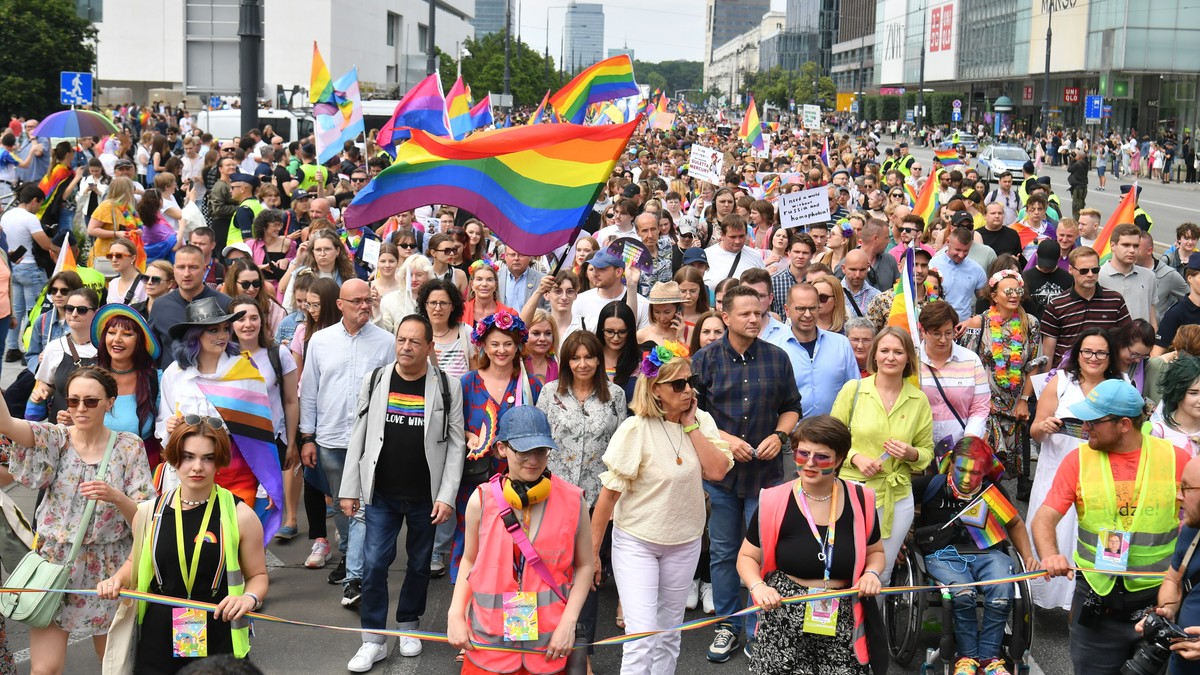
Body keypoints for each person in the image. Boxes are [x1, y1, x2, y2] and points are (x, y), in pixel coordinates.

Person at [0, 366, 153, 674]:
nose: (80, 408)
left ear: (110, 402)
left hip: (109, 567)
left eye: (91, 401)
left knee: (115, 666)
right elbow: (5, 423)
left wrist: (115, 496)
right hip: (55, 563)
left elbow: (143, 520)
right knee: (45, 670)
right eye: (73, 401)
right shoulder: (55, 438)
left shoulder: (129, 446)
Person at [592, 341, 733, 673]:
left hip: (684, 542)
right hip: (637, 542)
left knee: (670, 634)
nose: (688, 390)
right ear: (655, 390)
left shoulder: (701, 421)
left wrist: (691, 425)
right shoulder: (634, 429)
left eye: (690, 382)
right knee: (642, 637)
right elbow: (608, 497)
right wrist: (593, 554)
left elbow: (716, 471)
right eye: (678, 384)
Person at [1034, 379, 1190, 675]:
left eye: (1093, 421)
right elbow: (1044, 518)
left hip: (1158, 604)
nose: (1084, 426)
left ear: (1124, 424)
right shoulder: (1077, 460)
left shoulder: (1176, 459)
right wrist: (1050, 553)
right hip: (1096, 601)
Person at [340, 314, 465, 670]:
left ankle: (409, 625)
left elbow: (455, 444)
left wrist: (446, 495)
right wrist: (350, 488)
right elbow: (359, 436)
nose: (406, 347)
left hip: (426, 497)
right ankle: (373, 639)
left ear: (429, 347)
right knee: (375, 563)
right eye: (401, 340)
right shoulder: (377, 379)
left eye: (414, 342)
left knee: (420, 565)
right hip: (381, 494)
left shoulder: (447, 386)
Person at [98, 417, 268, 673]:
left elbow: (258, 575)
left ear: (219, 462)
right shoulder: (148, 513)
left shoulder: (241, 515)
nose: (197, 467)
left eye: (207, 458)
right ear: (174, 459)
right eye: (188, 457)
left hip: (218, 627)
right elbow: (134, 562)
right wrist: (116, 580)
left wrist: (248, 598)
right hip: (158, 630)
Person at [691, 284, 802, 662]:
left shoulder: (777, 357)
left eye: (758, 313)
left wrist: (779, 433)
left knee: (764, 554)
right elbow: (691, 414)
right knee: (723, 552)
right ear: (725, 316)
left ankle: (761, 627)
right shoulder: (704, 360)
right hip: (721, 474)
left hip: (766, 476)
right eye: (745, 314)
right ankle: (728, 624)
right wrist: (725, 439)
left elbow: (791, 406)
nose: (754, 319)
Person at [446, 404, 593, 674]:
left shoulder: (574, 501)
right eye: (523, 451)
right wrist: (455, 614)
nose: (534, 460)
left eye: (541, 450)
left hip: (549, 648)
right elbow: (469, 560)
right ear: (502, 448)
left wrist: (568, 623)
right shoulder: (481, 499)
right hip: (489, 648)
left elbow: (585, 566)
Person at [737, 415, 885, 675]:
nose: (810, 463)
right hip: (783, 610)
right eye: (802, 453)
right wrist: (758, 587)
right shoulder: (773, 501)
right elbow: (747, 557)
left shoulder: (861, 500)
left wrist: (872, 573)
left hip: (842, 612)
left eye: (822, 457)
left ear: (839, 459)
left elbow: (876, 552)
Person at [299, 279, 394, 606]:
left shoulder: (386, 342)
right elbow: (309, 391)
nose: (364, 306)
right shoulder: (320, 341)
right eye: (357, 301)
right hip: (331, 440)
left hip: (372, 443)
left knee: (362, 511)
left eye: (368, 300)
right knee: (341, 506)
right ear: (340, 304)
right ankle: (349, 557)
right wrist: (307, 437)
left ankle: (356, 578)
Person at [911, 437, 1036, 675]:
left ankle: (990, 658)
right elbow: (899, 507)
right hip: (943, 555)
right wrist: (897, 544)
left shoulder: (991, 490)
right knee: (963, 593)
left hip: (988, 553)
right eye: (961, 470)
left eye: (976, 473)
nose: (967, 479)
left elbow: (1015, 523)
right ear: (950, 464)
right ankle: (967, 657)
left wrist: (1028, 556)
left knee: (1002, 591)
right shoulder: (932, 486)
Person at [1028, 328, 1123, 611]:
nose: (1093, 358)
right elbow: (1034, 429)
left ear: (1110, 356)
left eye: (1101, 353)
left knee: (1091, 534)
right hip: (1058, 468)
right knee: (1053, 530)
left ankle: (1083, 603)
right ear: (1077, 354)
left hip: (1101, 474)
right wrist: (1044, 427)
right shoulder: (1060, 381)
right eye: (1087, 351)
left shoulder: (1120, 385)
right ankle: (1042, 598)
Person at [831, 326, 934, 586]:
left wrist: (911, 453)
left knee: (881, 572)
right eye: (885, 350)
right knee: (847, 567)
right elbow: (830, 439)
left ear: (908, 358)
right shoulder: (853, 390)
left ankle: (871, 627)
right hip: (853, 491)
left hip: (897, 496)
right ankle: (847, 625)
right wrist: (855, 457)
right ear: (874, 355)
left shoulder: (918, 400)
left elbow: (927, 452)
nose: (891, 357)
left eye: (898, 352)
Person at [454, 311, 544, 581]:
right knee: (473, 543)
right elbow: (453, 425)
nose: (501, 350)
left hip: (519, 479)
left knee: (516, 544)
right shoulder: (468, 382)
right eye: (494, 344)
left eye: (508, 343)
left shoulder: (531, 385)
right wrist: (469, 434)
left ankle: (512, 606)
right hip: (475, 481)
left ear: (518, 345)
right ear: (483, 345)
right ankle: (467, 604)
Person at [227, 296, 300, 539]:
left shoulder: (278, 354)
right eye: (240, 318)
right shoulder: (222, 356)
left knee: (264, 507)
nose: (247, 324)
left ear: (262, 321)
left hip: (270, 443)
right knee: (236, 506)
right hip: (233, 446)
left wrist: (291, 443)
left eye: (253, 317)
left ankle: (255, 565)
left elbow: (291, 401)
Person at [958, 271, 1042, 477]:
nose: (1014, 295)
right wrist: (979, 400)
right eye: (1008, 291)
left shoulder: (1030, 323)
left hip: (1015, 405)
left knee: (1008, 470)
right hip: (987, 405)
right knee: (984, 464)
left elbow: (1033, 364)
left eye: (1018, 291)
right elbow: (968, 365)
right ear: (994, 296)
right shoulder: (980, 323)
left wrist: (1024, 400)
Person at [768, 283, 859, 418]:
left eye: (813, 308)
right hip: (791, 434)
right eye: (801, 308)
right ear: (787, 310)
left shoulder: (841, 344)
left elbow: (855, 391)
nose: (807, 314)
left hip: (834, 432)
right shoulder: (773, 349)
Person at [916, 300, 990, 451]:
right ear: (923, 331)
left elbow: (980, 407)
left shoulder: (971, 360)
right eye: (936, 334)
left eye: (948, 333)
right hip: (918, 451)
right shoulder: (911, 360)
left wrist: (969, 441)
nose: (943, 340)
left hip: (958, 451)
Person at [1041, 246, 1132, 367]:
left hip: (1104, 375)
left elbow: (1125, 341)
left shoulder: (1115, 300)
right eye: (1084, 271)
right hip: (1066, 375)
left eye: (1095, 270)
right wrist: (1047, 381)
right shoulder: (1056, 304)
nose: (1090, 275)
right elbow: (1048, 352)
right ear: (1071, 269)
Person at [3, 184, 58, 362]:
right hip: (31, 267)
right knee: (34, 310)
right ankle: (30, 349)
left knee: (16, 310)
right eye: (39, 204)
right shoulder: (30, 218)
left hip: (12, 266)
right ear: (34, 200)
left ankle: (12, 348)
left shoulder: (6, 215)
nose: (38, 209)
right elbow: (45, 245)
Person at [148, 245, 231, 362]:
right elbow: (151, 350)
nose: (186, 273)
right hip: (171, 378)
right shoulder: (160, 306)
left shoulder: (225, 303)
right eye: (181, 267)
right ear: (174, 270)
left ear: (204, 269)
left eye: (193, 267)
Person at [30, 288, 100, 423]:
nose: (74, 314)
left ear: (95, 313)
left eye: (82, 310)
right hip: (60, 429)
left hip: (95, 429)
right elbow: (47, 384)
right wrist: (41, 392)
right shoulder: (54, 347)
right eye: (69, 308)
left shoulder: (107, 348)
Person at [1099, 223, 1158, 326]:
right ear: (1113, 246)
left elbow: (1151, 314)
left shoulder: (1149, 276)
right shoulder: (1098, 277)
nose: (1132, 250)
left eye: (1136, 246)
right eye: (1126, 245)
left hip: (1141, 340)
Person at [930, 227, 988, 323]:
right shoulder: (932, 264)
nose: (961, 255)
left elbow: (984, 300)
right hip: (937, 323)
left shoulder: (976, 269)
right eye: (957, 250)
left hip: (964, 326)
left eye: (965, 251)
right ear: (947, 242)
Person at [222, 260, 286, 338]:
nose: (252, 289)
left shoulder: (271, 308)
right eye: (245, 284)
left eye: (256, 283)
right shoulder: (222, 307)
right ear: (233, 284)